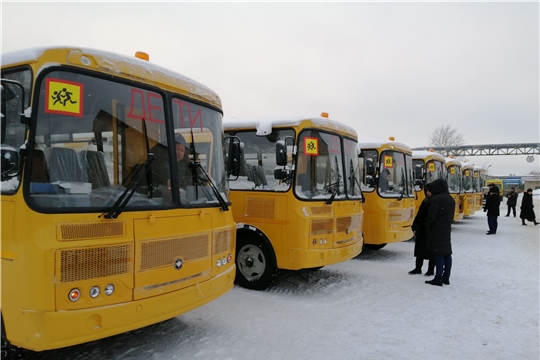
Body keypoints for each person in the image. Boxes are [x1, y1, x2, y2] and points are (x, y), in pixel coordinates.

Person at [424, 179, 455, 287]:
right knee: (447, 253)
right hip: (446, 228)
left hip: (436, 229)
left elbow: (432, 216)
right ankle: (446, 277)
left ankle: (438, 278)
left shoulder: (437, 199)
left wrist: (427, 225)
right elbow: (452, 216)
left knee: (438, 254)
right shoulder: (450, 199)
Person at [409, 184, 435, 276]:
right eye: (426, 191)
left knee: (429, 251)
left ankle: (430, 270)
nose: (427, 193)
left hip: (428, 229)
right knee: (421, 250)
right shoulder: (425, 200)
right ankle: (418, 268)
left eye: (429, 191)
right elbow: (419, 214)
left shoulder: (433, 201)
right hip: (422, 229)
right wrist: (415, 225)